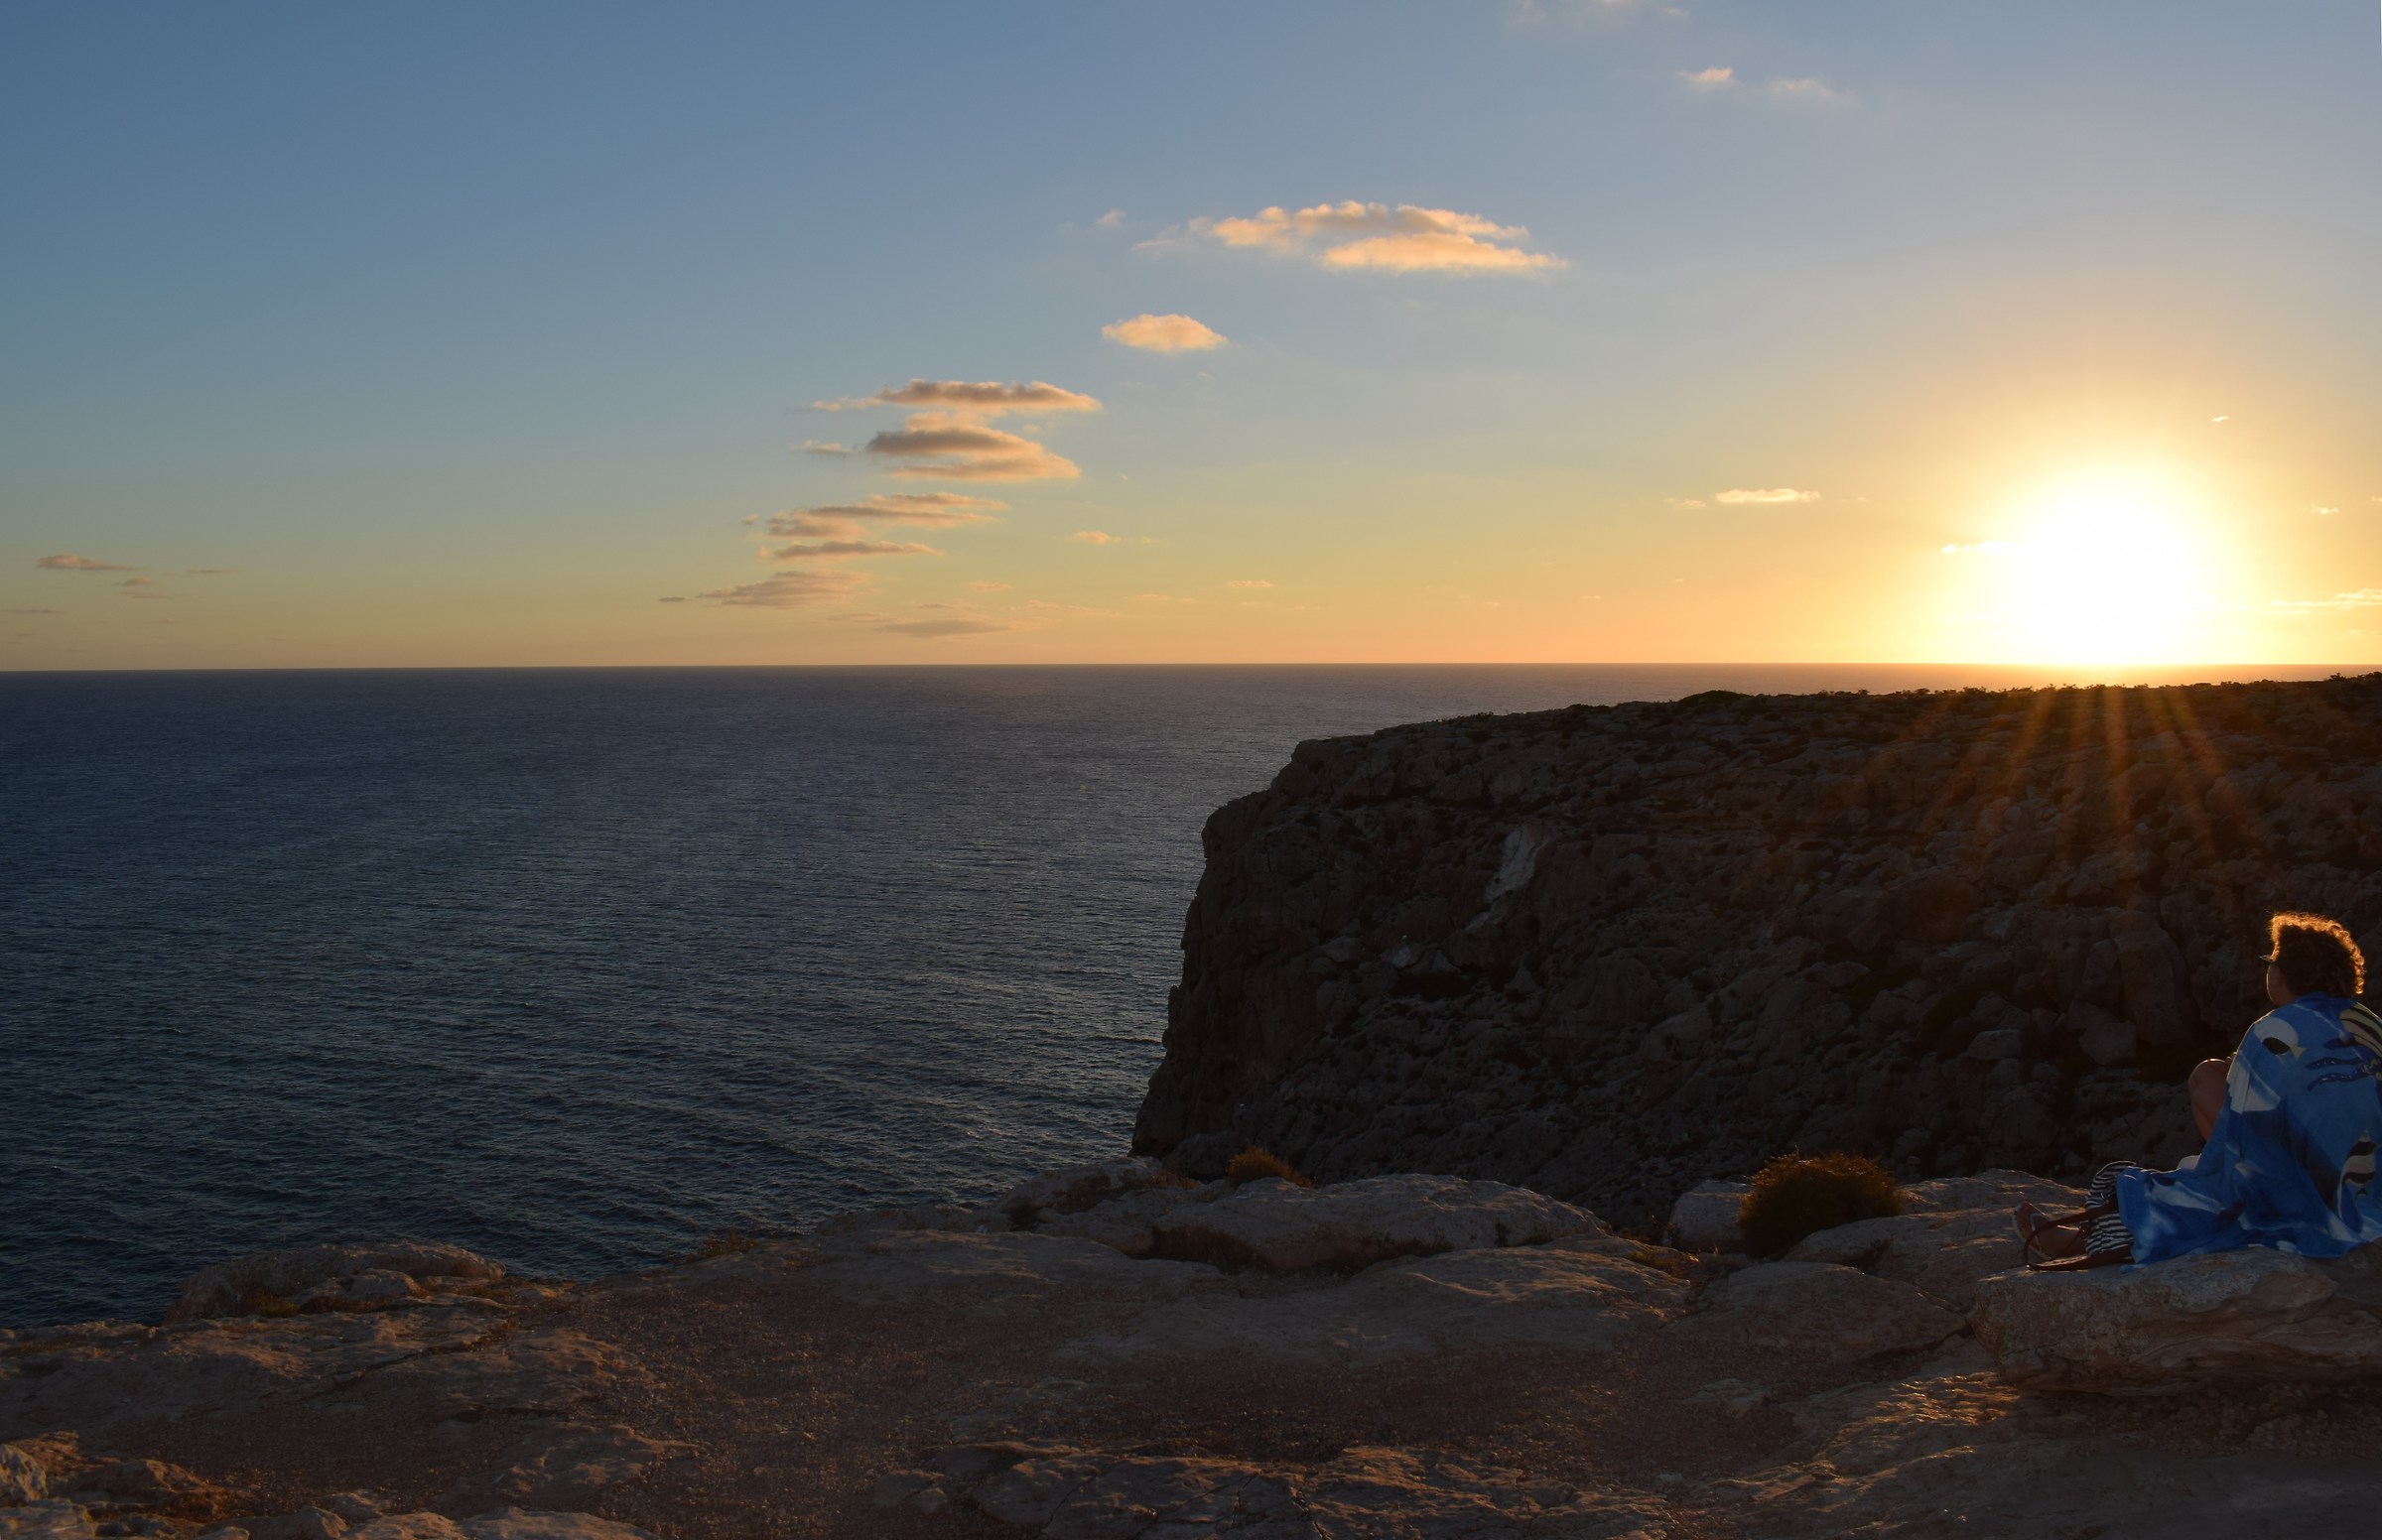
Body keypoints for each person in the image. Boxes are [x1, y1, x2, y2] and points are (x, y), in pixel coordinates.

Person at [2018, 912, 2382, 1268]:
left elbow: (2249, 1122)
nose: (2268, 970)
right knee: (2210, 1074)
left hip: (2317, 1194)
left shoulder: (2275, 1030)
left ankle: (2087, 1238)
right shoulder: (2369, 1023)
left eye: (2271, 962)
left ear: (2285, 974)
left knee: (2205, 1178)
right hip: (2371, 1178)